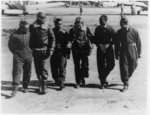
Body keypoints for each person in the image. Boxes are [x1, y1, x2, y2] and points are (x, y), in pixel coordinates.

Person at [29, 12, 55, 94]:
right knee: (38, 68)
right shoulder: (33, 26)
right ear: (37, 17)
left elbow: (52, 38)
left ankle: (44, 86)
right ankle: (40, 85)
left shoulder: (47, 26)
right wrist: (31, 48)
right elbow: (30, 38)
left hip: (45, 50)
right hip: (36, 50)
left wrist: (51, 49)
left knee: (44, 68)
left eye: (43, 17)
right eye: (40, 17)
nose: (42, 19)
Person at [115, 17, 141, 92]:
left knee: (134, 64)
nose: (123, 27)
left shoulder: (134, 31)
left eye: (124, 25)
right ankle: (125, 83)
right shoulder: (119, 32)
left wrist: (139, 52)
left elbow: (138, 43)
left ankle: (126, 77)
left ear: (127, 24)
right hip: (123, 49)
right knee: (124, 66)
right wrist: (116, 53)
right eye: (122, 25)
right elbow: (117, 44)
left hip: (132, 49)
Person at [8, 18, 32, 97]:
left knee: (27, 72)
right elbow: (10, 45)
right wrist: (15, 52)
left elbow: (34, 43)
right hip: (18, 55)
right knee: (17, 71)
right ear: (20, 27)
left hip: (28, 54)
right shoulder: (14, 35)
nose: (27, 30)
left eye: (28, 28)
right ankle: (15, 88)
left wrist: (31, 52)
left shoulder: (30, 34)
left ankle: (25, 86)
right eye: (25, 28)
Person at [69, 17, 94, 88]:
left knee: (84, 65)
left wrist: (92, 43)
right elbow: (69, 39)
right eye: (77, 24)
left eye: (80, 23)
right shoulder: (72, 30)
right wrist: (69, 43)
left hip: (84, 50)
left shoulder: (86, 29)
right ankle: (78, 81)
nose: (78, 25)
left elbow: (91, 37)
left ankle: (82, 77)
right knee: (77, 66)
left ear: (82, 23)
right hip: (75, 50)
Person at [94, 15, 115, 89]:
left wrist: (109, 45)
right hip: (100, 49)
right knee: (101, 66)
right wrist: (99, 45)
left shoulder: (110, 29)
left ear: (106, 21)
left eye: (102, 22)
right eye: (100, 21)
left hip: (109, 48)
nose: (100, 23)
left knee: (111, 64)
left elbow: (114, 38)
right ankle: (102, 82)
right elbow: (95, 39)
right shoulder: (97, 29)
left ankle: (103, 76)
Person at [50, 17, 70, 90]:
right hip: (54, 52)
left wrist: (68, 53)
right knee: (54, 67)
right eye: (58, 24)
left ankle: (61, 82)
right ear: (55, 24)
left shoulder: (65, 33)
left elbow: (68, 42)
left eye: (61, 24)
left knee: (62, 67)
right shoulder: (51, 32)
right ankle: (56, 80)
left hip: (62, 52)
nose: (60, 25)